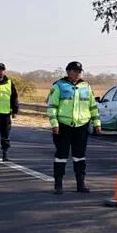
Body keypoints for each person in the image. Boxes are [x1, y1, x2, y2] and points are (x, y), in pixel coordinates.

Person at [46, 61, 101, 194]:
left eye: (79, 71)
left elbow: (93, 106)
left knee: (80, 156)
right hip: (63, 126)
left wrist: (97, 123)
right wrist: (54, 124)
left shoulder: (86, 86)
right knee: (61, 155)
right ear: (68, 71)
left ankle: (80, 184)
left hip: (82, 126)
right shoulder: (59, 86)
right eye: (75, 71)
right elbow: (52, 106)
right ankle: (58, 185)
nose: (77, 73)